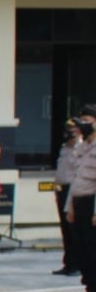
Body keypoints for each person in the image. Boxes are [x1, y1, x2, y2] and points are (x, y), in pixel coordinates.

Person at [64, 106, 96, 292]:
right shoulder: (84, 148)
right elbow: (75, 181)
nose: (83, 124)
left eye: (87, 120)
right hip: (79, 203)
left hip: (92, 204)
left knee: (93, 253)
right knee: (83, 253)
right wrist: (70, 207)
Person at [54, 118, 83, 276]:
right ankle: (68, 263)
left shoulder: (82, 149)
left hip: (74, 190)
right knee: (65, 228)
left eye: (72, 129)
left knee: (73, 229)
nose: (68, 132)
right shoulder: (64, 148)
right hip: (62, 189)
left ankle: (76, 265)